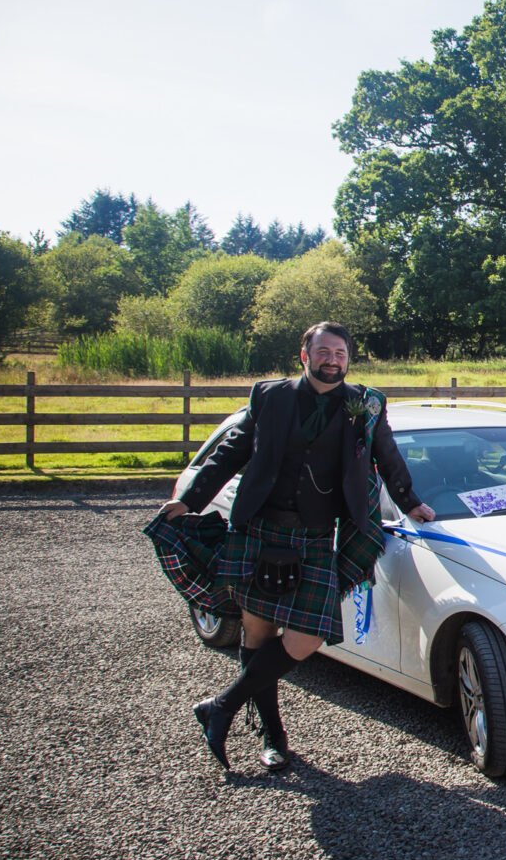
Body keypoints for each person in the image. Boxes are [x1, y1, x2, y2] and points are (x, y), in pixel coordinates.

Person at [156, 321, 434, 772]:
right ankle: (273, 736)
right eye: (323, 352)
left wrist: (412, 502)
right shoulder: (270, 396)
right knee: (259, 634)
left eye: (340, 353)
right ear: (304, 356)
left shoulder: (364, 403)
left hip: (318, 536)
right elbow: (231, 451)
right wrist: (189, 500)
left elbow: (387, 455)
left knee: (307, 637)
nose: (332, 360)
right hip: (260, 531)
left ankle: (220, 706)